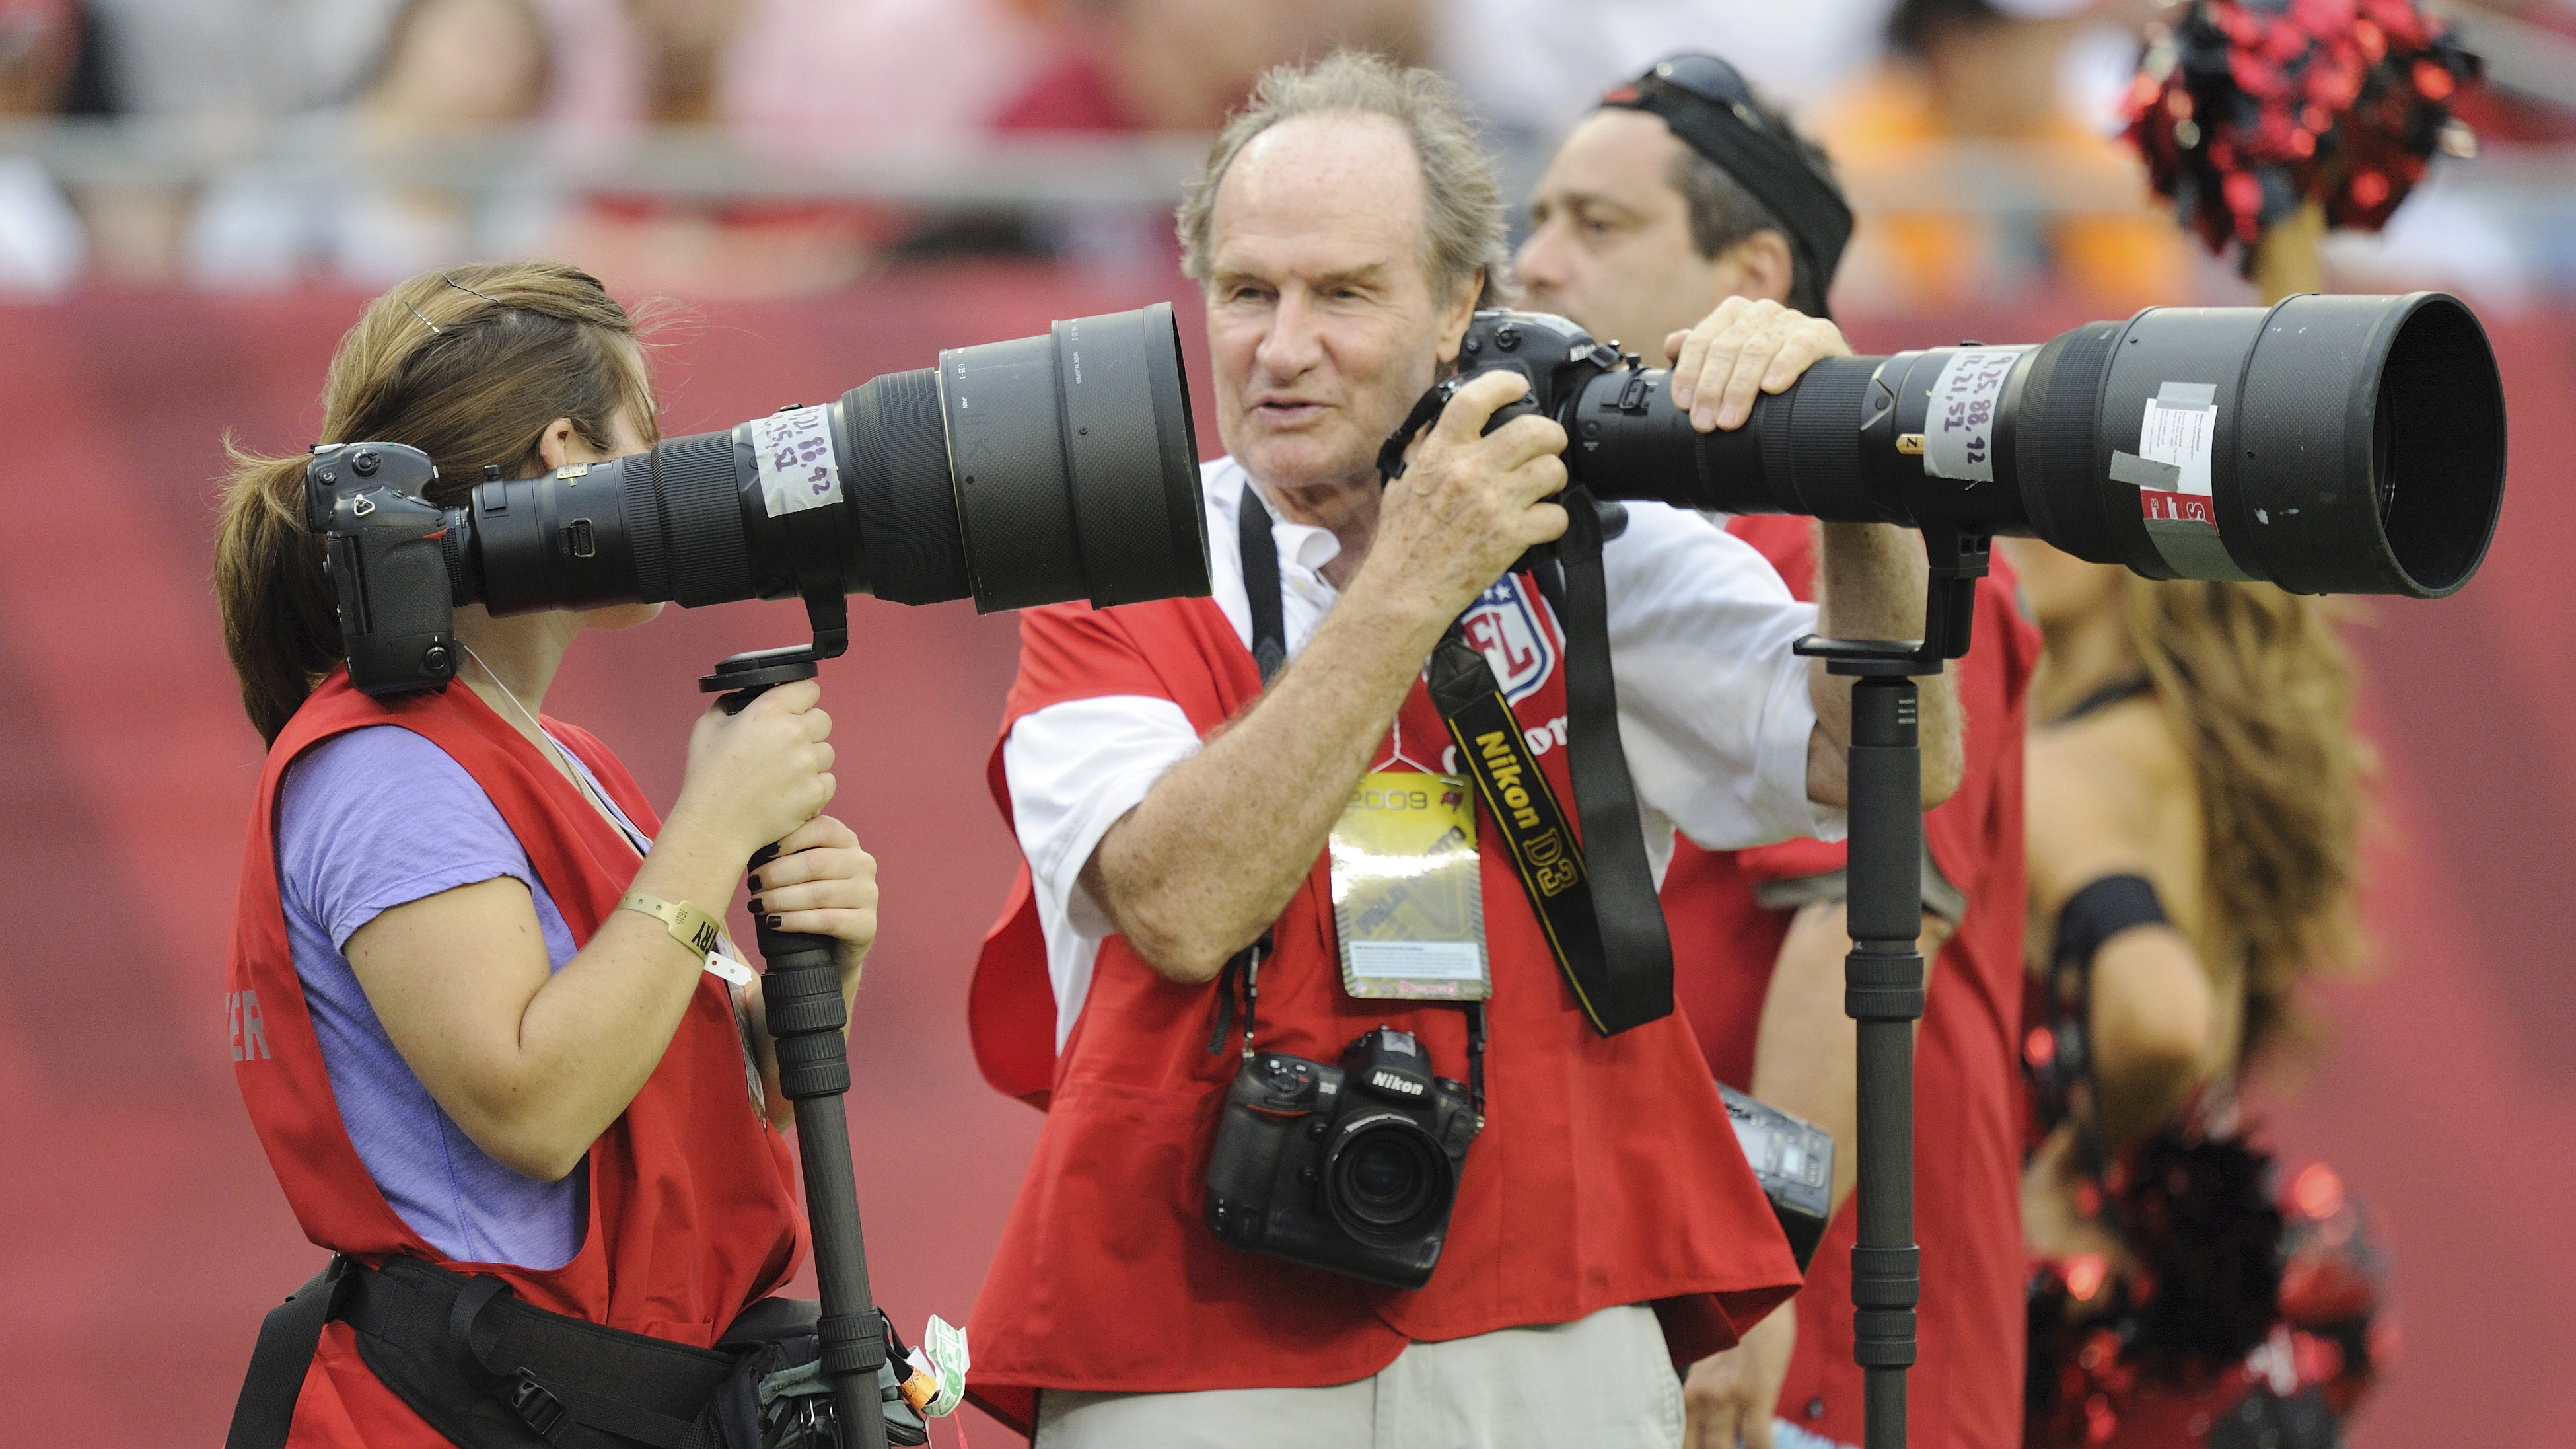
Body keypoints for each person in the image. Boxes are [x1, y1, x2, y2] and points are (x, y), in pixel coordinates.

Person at [964, 49, 1962, 1447]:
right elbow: (1181, 903)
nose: (1283, 345)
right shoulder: (1123, 560)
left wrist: (1844, 463)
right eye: (1248, 291)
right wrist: (1415, 578)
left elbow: (1892, 760)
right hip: (1191, 1329)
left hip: (1556, 1301)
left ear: (1458, 313)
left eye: (1346, 294)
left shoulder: (1592, 545)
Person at [215, 260, 878, 1445]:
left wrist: (807, 989)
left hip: (622, 1395)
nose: (676, 472)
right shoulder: (384, 766)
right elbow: (534, 1105)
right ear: (568, 453)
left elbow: (673, 1093)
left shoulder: (562, 756)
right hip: (484, 1410)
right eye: (652, 433)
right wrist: (714, 826)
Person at [1517, 52, 2042, 1449]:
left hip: (1810, 1352)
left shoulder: (1861, 541)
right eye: (1536, 217)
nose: (1535, 259)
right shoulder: (1623, 528)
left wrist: (1751, 1299)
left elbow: (1859, 933)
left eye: (1597, 224)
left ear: (1751, 268)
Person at [2005, 539, 2389, 1448]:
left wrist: (2062, 1173)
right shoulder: (2200, 766)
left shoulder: (2063, 770)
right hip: (2179, 1321)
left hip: (2066, 1314)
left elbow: (2166, 1018)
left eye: (2038, 493)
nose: (2004, 525)